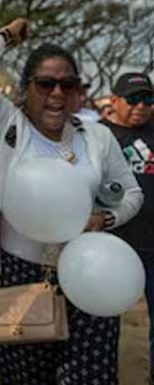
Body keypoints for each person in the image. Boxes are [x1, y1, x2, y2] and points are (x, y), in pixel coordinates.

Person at [0, 19, 142, 384]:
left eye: (68, 83)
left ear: (78, 93)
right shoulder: (3, 126)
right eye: (45, 83)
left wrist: (104, 219)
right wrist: (9, 35)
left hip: (92, 275)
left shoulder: (98, 137)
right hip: (20, 274)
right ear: (26, 89)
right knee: (25, 378)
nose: (57, 92)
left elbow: (132, 193)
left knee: (92, 377)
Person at [101, 72, 154, 383]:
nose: (141, 106)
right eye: (133, 99)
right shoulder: (97, 136)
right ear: (114, 101)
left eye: (148, 99)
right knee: (103, 321)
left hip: (153, 245)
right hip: (111, 247)